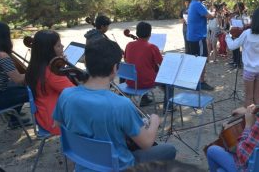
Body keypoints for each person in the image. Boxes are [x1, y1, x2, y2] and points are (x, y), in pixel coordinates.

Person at [53, 38, 176, 170]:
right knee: (169, 150)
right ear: (115, 68)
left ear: (86, 63)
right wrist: (154, 122)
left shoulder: (66, 94)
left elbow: (58, 124)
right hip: (118, 167)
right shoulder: (121, 105)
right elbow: (146, 143)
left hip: (84, 164)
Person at [25, 30, 74, 135]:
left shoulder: (36, 66)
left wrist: (61, 67)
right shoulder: (51, 73)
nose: (62, 46)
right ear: (48, 51)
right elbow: (75, 92)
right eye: (58, 45)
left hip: (43, 114)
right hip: (55, 120)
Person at [225, 8, 259, 106]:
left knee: (249, 97)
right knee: (257, 96)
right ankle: (258, 118)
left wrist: (227, 36)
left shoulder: (247, 33)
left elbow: (232, 46)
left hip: (249, 70)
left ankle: (248, 120)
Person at [124, 21, 168, 109]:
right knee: (169, 82)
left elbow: (126, 60)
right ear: (150, 34)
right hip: (145, 83)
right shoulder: (152, 47)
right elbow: (162, 64)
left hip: (131, 82)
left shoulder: (129, 45)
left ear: (137, 33)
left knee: (141, 70)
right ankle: (169, 107)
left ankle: (145, 98)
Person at [0, 22, 31, 129]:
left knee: (15, 86)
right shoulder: (2, 56)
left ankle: (14, 119)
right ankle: (45, 121)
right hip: (1, 99)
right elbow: (19, 79)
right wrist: (36, 72)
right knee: (35, 90)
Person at [186, 0, 215, 90]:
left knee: (195, 59)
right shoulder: (198, 4)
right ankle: (201, 82)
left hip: (192, 37)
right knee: (202, 59)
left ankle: (194, 81)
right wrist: (214, 11)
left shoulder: (193, 3)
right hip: (198, 38)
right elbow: (210, 16)